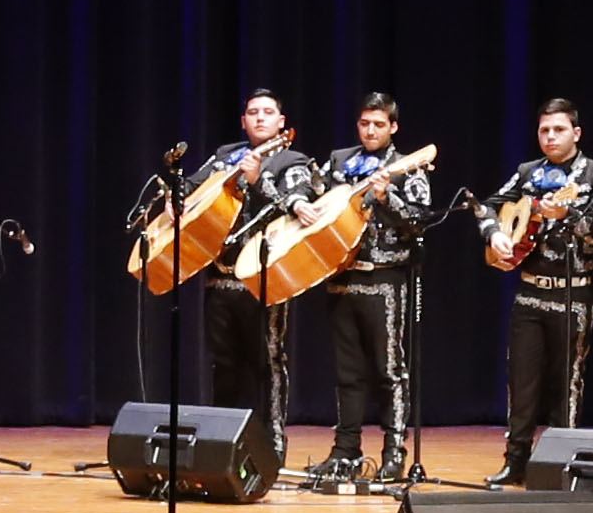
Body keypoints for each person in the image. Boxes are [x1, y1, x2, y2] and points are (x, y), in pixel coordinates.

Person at [474, 98, 593, 485]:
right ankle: (516, 459)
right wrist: (495, 233)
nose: (550, 137)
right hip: (530, 291)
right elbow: (488, 206)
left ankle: (559, 463)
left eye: (558, 130)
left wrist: (567, 214)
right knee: (521, 381)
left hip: (575, 292)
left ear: (576, 133)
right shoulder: (528, 173)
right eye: (544, 130)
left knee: (567, 382)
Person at [185, 89, 318, 471]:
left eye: (268, 112)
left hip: (264, 277)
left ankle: (272, 449)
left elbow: (295, 209)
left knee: (267, 362)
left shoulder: (293, 161)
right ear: (243, 121)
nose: (260, 118)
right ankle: (222, 446)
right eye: (252, 113)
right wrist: (174, 198)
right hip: (220, 275)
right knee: (225, 364)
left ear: (281, 121)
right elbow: (195, 187)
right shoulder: (227, 155)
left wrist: (259, 180)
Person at [307, 92, 432, 481]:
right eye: (365, 123)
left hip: (385, 278)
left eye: (379, 124)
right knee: (347, 372)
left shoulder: (409, 168)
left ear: (393, 127)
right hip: (342, 275)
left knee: (389, 370)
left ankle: (394, 451)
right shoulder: (340, 161)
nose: (371, 130)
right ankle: (345, 450)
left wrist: (386, 196)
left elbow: (419, 221)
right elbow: (317, 201)